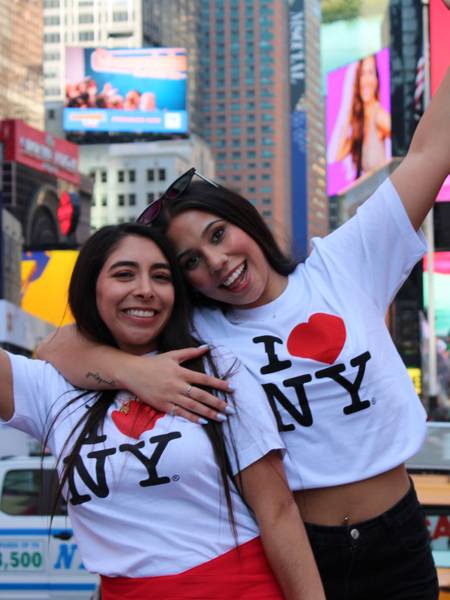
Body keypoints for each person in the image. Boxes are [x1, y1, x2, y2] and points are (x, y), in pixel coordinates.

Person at [39, 71, 450, 598]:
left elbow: (429, 154)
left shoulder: (343, 265)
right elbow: (54, 348)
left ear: (244, 219)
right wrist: (136, 370)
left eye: (218, 234)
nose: (218, 262)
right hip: (294, 550)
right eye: (191, 261)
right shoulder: (195, 335)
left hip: (399, 539)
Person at [1, 224, 325, 600]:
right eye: (124, 274)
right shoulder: (50, 386)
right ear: (92, 286)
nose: (145, 289)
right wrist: (131, 371)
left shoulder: (214, 368)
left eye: (161, 277)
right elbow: (50, 344)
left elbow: (278, 511)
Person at [332, 53, 391, 179]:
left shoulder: (379, 115)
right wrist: (349, 108)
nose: (366, 80)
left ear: (376, 79)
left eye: (371, 73)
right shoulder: (360, 123)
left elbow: (407, 145)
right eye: (362, 74)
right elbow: (338, 155)